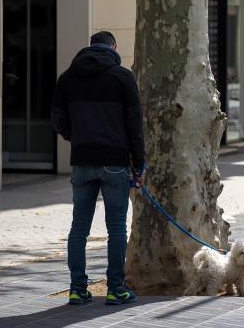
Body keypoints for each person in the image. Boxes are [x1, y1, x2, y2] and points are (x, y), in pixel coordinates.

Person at [51, 31, 146, 306]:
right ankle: (116, 288)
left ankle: (77, 288)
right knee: (116, 228)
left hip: (82, 159)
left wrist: (76, 137)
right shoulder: (122, 77)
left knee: (78, 228)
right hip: (115, 161)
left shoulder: (67, 77)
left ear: (89, 47)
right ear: (113, 47)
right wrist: (139, 164)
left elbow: (57, 118)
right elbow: (134, 125)